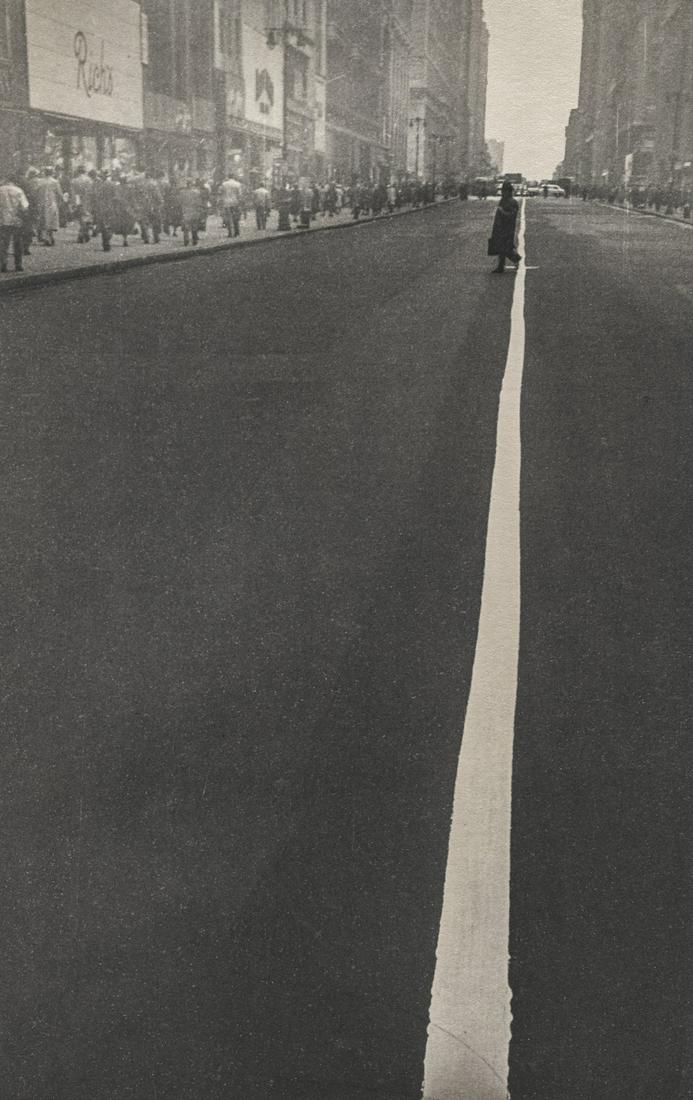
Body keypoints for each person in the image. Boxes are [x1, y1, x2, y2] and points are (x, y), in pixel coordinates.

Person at [489, 180, 521, 274]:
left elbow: (512, 215)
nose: (502, 193)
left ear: (508, 191)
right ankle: (500, 267)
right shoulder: (503, 200)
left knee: (505, 247)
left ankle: (516, 259)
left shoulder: (512, 202)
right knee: (500, 247)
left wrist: (502, 211)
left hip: (507, 228)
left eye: (504, 191)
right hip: (499, 227)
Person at [0, 174, 29, 273]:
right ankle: (18, 265)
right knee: (18, 242)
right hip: (17, 220)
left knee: (4, 243)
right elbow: (25, 207)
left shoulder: (1, 190)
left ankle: (3, 264)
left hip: (3, 219)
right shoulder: (18, 190)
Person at [36, 166, 62, 246]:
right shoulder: (55, 182)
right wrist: (60, 201)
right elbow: (59, 193)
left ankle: (47, 237)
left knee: (44, 220)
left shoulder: (40, 181)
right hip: (52, 202)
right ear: (52, 172)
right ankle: (49, 237)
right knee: (51, 220)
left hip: (42, 203)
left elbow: (36, 191)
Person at [70, 165, 94, 243]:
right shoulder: (89, 180)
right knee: (86, 216)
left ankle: (83, 233)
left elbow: (73, 193)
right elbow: (91, 191)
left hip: (78, 199)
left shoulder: (74, 180)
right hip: (87, 200)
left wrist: (74, 203)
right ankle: (83, 233)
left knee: (80, 216)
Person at [220, 171, 242, 237]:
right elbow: (239, 195)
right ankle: (236, 232)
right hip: (235, 202)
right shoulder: (238, 184)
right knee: (236, 218)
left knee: (228, 218)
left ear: (228, 177)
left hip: (226, 203)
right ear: (233, 176)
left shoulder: (224, 184)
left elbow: (222, 194)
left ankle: (230, 233)